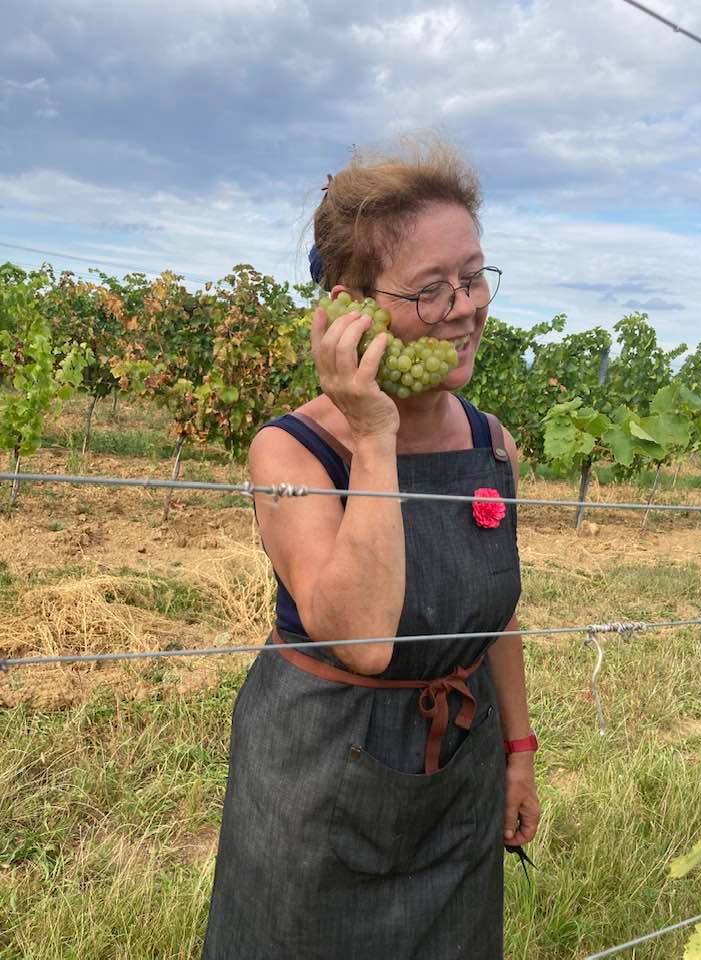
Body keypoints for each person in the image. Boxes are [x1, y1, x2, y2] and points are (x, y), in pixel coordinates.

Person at [202, 140, 541, 960]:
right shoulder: (290, 452)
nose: (465, 307)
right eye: (431, 290)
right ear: (354, 304)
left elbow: (492, 611)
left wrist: (519, 752)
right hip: (320, 775)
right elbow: (359, 635)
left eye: (474, 276)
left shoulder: (493, 445)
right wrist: (374, 434)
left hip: (458, 769)